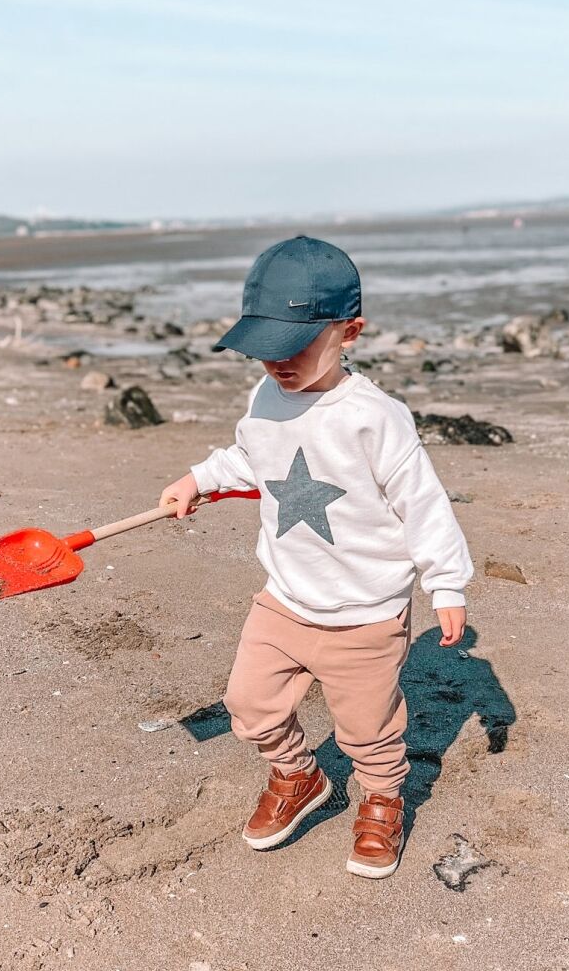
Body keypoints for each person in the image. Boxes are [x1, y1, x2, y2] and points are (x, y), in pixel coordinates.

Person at [159, 235, 473, 879]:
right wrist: (200, 478)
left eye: (295, 347)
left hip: (365, 613)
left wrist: (446, 583)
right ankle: (298, 776)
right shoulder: (266, 397)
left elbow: (423, 501)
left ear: (349, 331)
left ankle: (383, 800)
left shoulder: (374, 417)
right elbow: (250, 455)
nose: (277, 363)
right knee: (249, 704)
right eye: (263, 349)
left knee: (368, 731)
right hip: (284, 598)